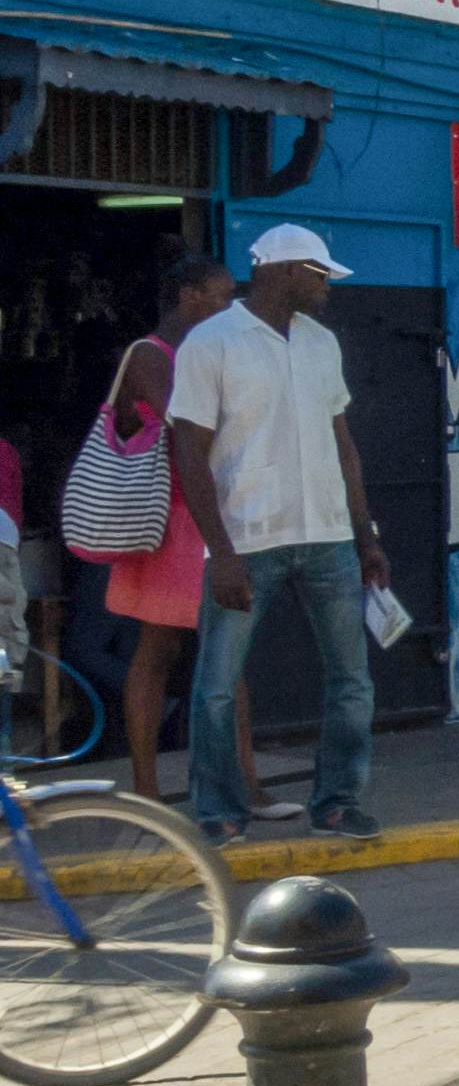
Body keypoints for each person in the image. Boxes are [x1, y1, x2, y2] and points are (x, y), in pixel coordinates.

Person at [168, 223, 393, 843]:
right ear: (284, 271)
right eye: (319, 273)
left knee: (352, 679)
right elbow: (189, 449)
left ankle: (338, 803)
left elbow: (343, 445)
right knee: (215, 685)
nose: (327, 286)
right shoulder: (210, 343)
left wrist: (365, 535)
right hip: (247, 540)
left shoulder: (323, 344)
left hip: (328, 539)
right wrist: (220, 552)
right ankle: (217, 809)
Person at [96, 254, 253, 806]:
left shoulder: (196, 351)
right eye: (220, 295)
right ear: (188, 296)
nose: (230, 306)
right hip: (173, 523)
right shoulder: (150, 355)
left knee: (206, 652)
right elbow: (186, 423)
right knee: (174, 652)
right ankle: (151, 790)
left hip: (196, 517)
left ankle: (237, 783)